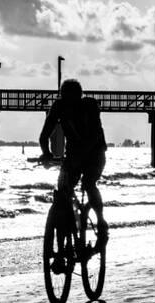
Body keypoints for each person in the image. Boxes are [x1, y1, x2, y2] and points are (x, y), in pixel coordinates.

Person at [39, 79, 109, 252]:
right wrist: (46, 153)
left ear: (80, 97)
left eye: (72, 99)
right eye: (65, 98)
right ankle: (62, 239)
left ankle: (101, 224)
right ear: (61, 97)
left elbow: (95, 135)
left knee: (89, 183)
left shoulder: (90, 107)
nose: (68, 103)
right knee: (62, 191)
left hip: (95, 153)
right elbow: (44, 135)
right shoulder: (58, 107)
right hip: (73, 156)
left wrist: (81, 155)